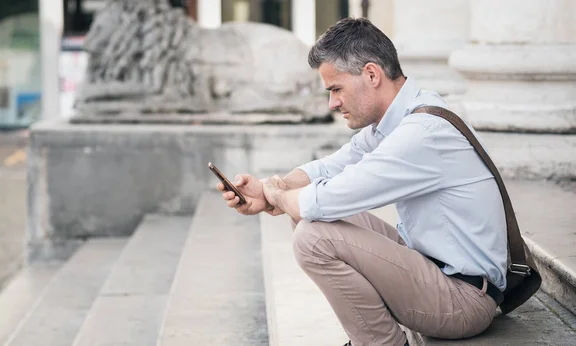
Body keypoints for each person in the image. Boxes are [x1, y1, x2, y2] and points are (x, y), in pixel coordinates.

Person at [217, 17, 506, 346]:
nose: (332, 103)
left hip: (464, 299)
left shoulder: (422, 133)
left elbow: (329, 198)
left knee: (314, 236)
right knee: (307, 217)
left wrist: (277, 196)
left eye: (336, 88)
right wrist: (271, 191)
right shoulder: (399, 118)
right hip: (432, 270)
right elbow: (333, 167)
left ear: (371, 74)